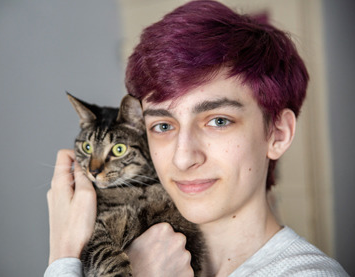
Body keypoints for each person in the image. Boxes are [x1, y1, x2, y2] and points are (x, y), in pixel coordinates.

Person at [44, 1, 349, 276]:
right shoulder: (137, 257)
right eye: (163, 126)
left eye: (218, 121)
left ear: (278, 134)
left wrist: (63, 252)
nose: (183, 157)